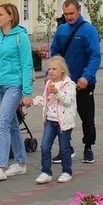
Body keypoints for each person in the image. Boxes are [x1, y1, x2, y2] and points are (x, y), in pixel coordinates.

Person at [0, 3, 34, 181]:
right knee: (11, 124)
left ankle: (2, 166)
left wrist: (27, 92)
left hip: (14, 86)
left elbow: (27, 65)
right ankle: (20, 163)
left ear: (11, 16)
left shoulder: (21, 37)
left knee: (2, 122)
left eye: (1, 14)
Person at [48, 0, 101, 164]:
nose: (69, 17)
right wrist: (52, 74)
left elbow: (95, 56)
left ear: (79, 11)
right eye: (66, 14)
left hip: (84, 82)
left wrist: (86, 76)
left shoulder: (88, 30)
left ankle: (88, 147)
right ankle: (66, 148)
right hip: (64, 83)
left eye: (72, 13)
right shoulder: (62, 29)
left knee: (86, 116)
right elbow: (55, 54)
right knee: (61, 117)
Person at [32, 55, 77, 184]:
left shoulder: (69, 84)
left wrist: (57, 92)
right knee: (45, 146)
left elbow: (68, 101)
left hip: (63, 122)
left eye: (54, 69)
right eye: (49, 69)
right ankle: (46, 172)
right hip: (50, 121)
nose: (50, 71)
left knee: (64, 148)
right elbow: (46, 99)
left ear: (62, 70)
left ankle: (66, 171)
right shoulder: (49, 83)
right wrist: (34, 101)